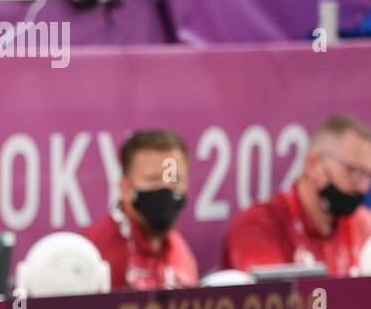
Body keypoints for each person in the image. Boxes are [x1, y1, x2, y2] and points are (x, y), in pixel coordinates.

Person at [222, 113, 371, 277]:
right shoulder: (257, 226)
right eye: (355, 173)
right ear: (314, 165)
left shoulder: (362, 225)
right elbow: (273, 299)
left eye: (368, 176)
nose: (363, 187)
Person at [81, 128, 198, 290]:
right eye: (153, 180)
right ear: (125, 188)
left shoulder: (181, 251)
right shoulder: (93, 252)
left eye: (174, 180)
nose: (165, 189)